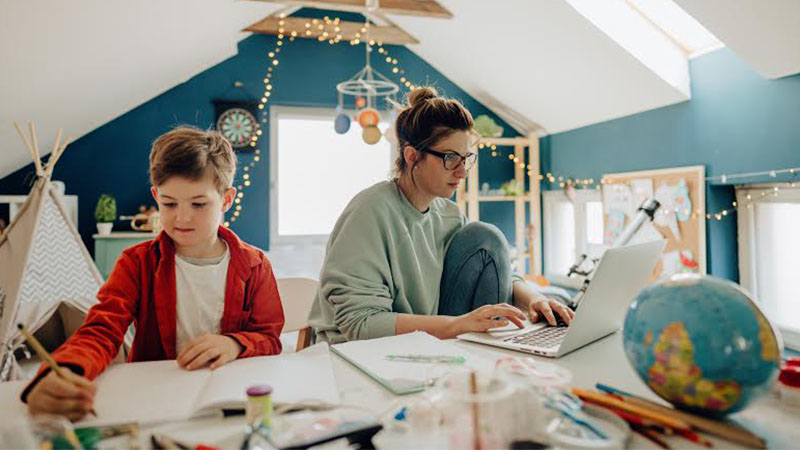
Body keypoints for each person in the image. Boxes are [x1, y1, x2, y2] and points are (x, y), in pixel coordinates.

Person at [22, 126, 285, 420]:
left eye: (199, 204)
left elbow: (269, 338)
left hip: (229, 398)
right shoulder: (136, 263)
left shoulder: (255, 264)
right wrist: (65, 370)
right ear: (155, 195)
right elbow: (101, 330)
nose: (182, 217)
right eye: (169, 203)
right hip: (154, 402)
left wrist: (234, 343)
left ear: (226, 199)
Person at [309, 87, 573, 344]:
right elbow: (361, 324)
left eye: (466, 158)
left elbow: (495, 264)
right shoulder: (369, 212)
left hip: (425, 339)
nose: (461, 172)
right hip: (357, 351)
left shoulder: (448, 214)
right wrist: (459, 324)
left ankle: (492, 356)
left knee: (486, 237)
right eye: (450, 158)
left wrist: (534, 299)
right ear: (412, 156)